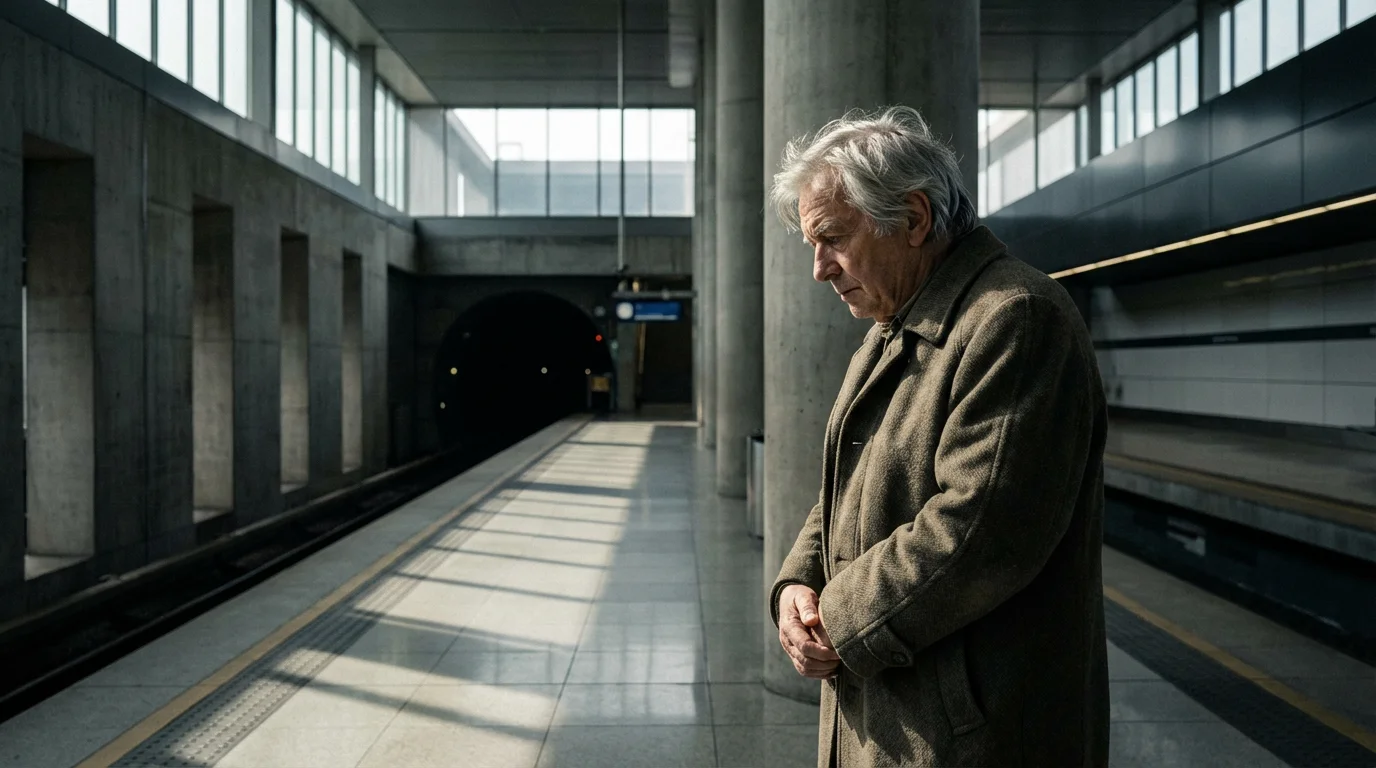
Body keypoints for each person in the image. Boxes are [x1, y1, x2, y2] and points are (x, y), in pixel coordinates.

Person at [767, 106, 1110, 768]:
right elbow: (842, 487)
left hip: (972, 734)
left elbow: (980, 530)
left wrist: (835, 620)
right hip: (901, 713)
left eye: (832, 238)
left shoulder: (1015, 319)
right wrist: (796, 586)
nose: (820, 268)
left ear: (914, 219)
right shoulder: (893, 329)